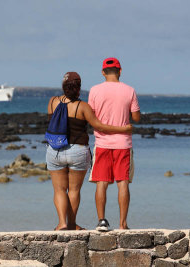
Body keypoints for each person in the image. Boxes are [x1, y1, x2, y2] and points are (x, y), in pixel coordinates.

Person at [47, 71, 133, 231]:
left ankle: (62, 223)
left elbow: (53, 121)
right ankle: (72, 223)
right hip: (77, 151)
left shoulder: (52, 102)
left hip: (55, 150)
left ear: (63, 86)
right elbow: (99, 126)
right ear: (78, 88)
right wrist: (123, 129)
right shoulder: (82, 107)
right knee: (73, 190)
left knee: (59, 189)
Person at [88, 57, 140, 231]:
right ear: (120, 71)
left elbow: (92, 117)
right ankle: (123, 224)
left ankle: (101, 220)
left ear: (103, 72)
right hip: (123, 143)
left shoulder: (94, 91)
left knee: (101, 182)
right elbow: (136, 117)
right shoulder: (129, 90)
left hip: (102, 142)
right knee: (123, 182)